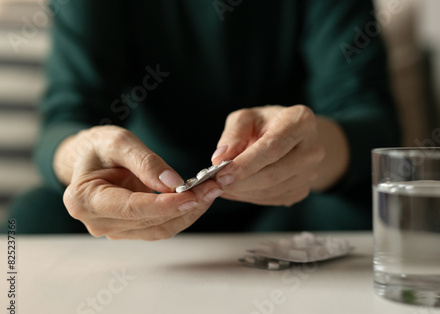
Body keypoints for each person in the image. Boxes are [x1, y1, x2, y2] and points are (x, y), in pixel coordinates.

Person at [5, 0, 400, 239]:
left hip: (291, 204)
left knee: (366, 210)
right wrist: (82, 156)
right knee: (35, 215)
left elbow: (372, 122)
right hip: (139, 197)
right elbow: (66, 118)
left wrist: (314, 147)